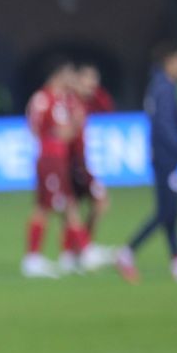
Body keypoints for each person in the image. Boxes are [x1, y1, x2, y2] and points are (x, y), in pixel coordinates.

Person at [118, 43, 177, 283]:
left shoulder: (159, 86)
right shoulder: (165, 89)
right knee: (166, 212)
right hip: (166, 158)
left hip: (162, 157)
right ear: (170, 62)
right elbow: (164, 125)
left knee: (171, 212)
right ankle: (127, 253)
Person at [22, 60, 88, 278]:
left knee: (64, 205)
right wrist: (75, 125)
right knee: (49, 206)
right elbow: (59, 132)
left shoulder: (54, 99)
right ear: (58, 75)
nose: (72, 79)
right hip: (51, 158)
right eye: (68, 74)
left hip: (55, 158)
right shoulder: (47, 99)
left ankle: (73, 254)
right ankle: (34, 258)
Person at [68, 63, 114, 270]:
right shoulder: (68, 101)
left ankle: (79, 249)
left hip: (82, 162)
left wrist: (95, 92)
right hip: (72, 161)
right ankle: (80, 250)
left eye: (95, 80)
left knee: (90, 204)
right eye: (88, 79)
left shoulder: (88, 100)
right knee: (89, 203)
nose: (92, 84)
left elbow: (107, 107)